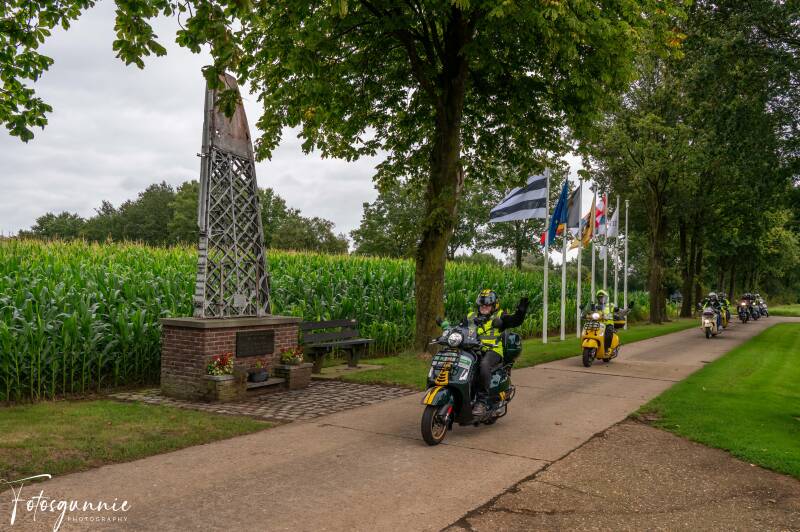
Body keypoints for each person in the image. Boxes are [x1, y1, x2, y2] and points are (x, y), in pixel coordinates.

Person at [468, 289, 528, 417]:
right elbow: (460, 327)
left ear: (494, 305)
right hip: (474, 350)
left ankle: (482, 402)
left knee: (484, 365)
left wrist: (520, 312)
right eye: (482, 304)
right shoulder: (471, 316)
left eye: (487, 305)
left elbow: (515, 321)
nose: (484, 307)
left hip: (493, 351)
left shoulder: (501, 316)